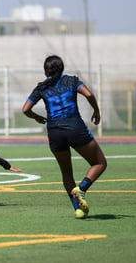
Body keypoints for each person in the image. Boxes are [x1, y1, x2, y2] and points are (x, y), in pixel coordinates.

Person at [21, 55, 107, 219]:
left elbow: (25, 109)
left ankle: (78, 209)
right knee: (100, 162)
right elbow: (88, 94)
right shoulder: (72, 81)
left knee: (67, 173)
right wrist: (96, 110)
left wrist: (36, 117)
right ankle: (81, 189)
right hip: (75, 128)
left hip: (54, 132)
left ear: (46, 71)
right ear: (62, 69)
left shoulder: (41, 87)